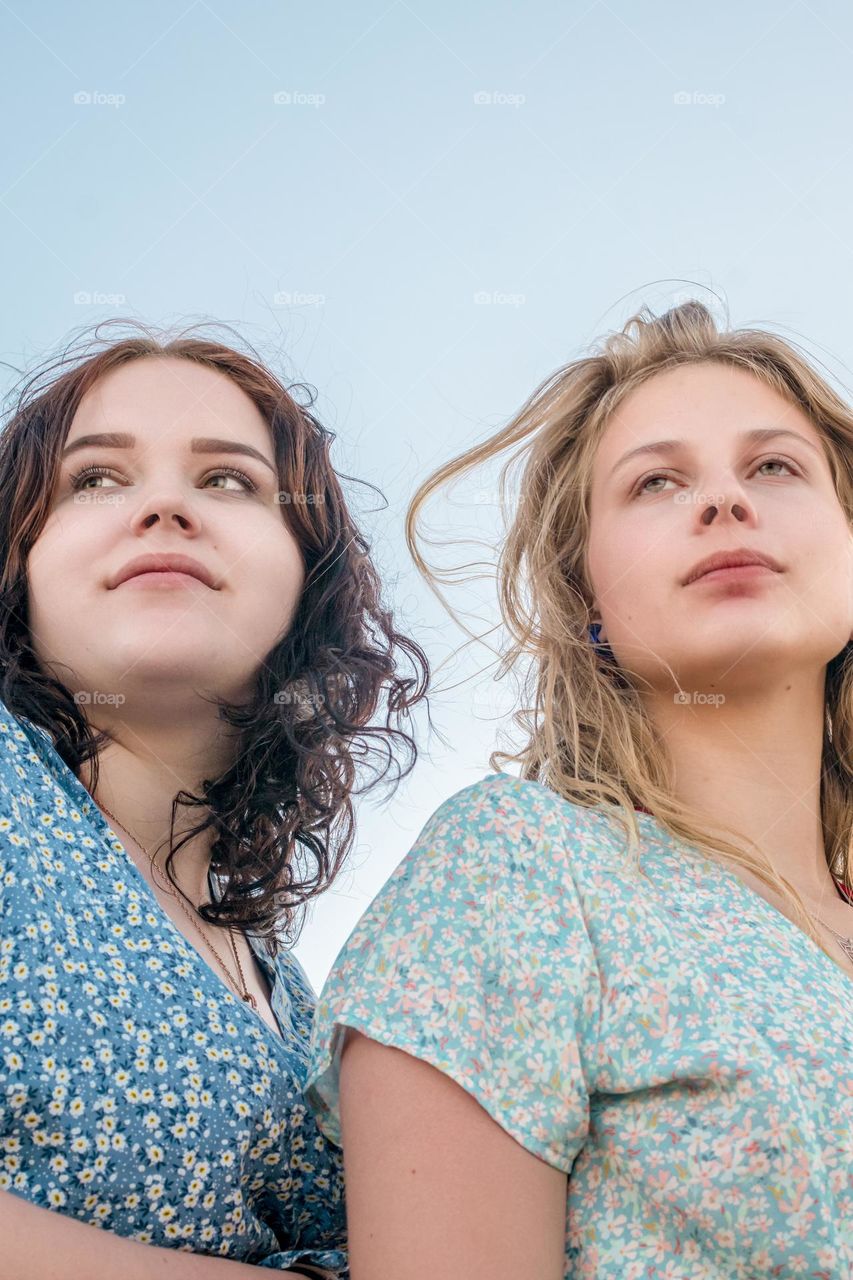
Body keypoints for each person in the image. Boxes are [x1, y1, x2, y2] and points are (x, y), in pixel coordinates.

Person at [304, 301, 853, 1278]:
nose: (724, 500)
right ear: (588, 597)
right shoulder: (520, 867)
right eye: (655, 481)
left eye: (773, 465)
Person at [0, 321, 429, 1277]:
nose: (162, 506)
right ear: (18, 563)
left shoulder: (295, 994)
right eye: (95, 478)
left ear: (305, 578)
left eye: (227, 479)